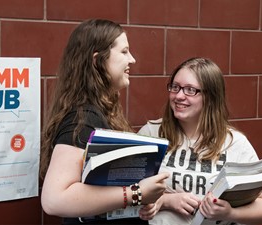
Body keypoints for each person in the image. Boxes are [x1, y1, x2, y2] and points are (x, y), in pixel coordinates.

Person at [40, 19, 168, 225]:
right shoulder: (83, 119)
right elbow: (54, 200)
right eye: (124, 52)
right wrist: (136, 193)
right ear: (98, 60)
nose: (132, 59)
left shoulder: (102, 112)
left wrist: (145, 199)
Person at [138, 57, 262, 225]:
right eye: (175, 87)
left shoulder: (235, 143)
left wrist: (230, 213)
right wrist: (167, 201)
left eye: (190, 90)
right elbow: (126, 192)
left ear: (210, 97)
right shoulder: (151, 133)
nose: (179, 96)